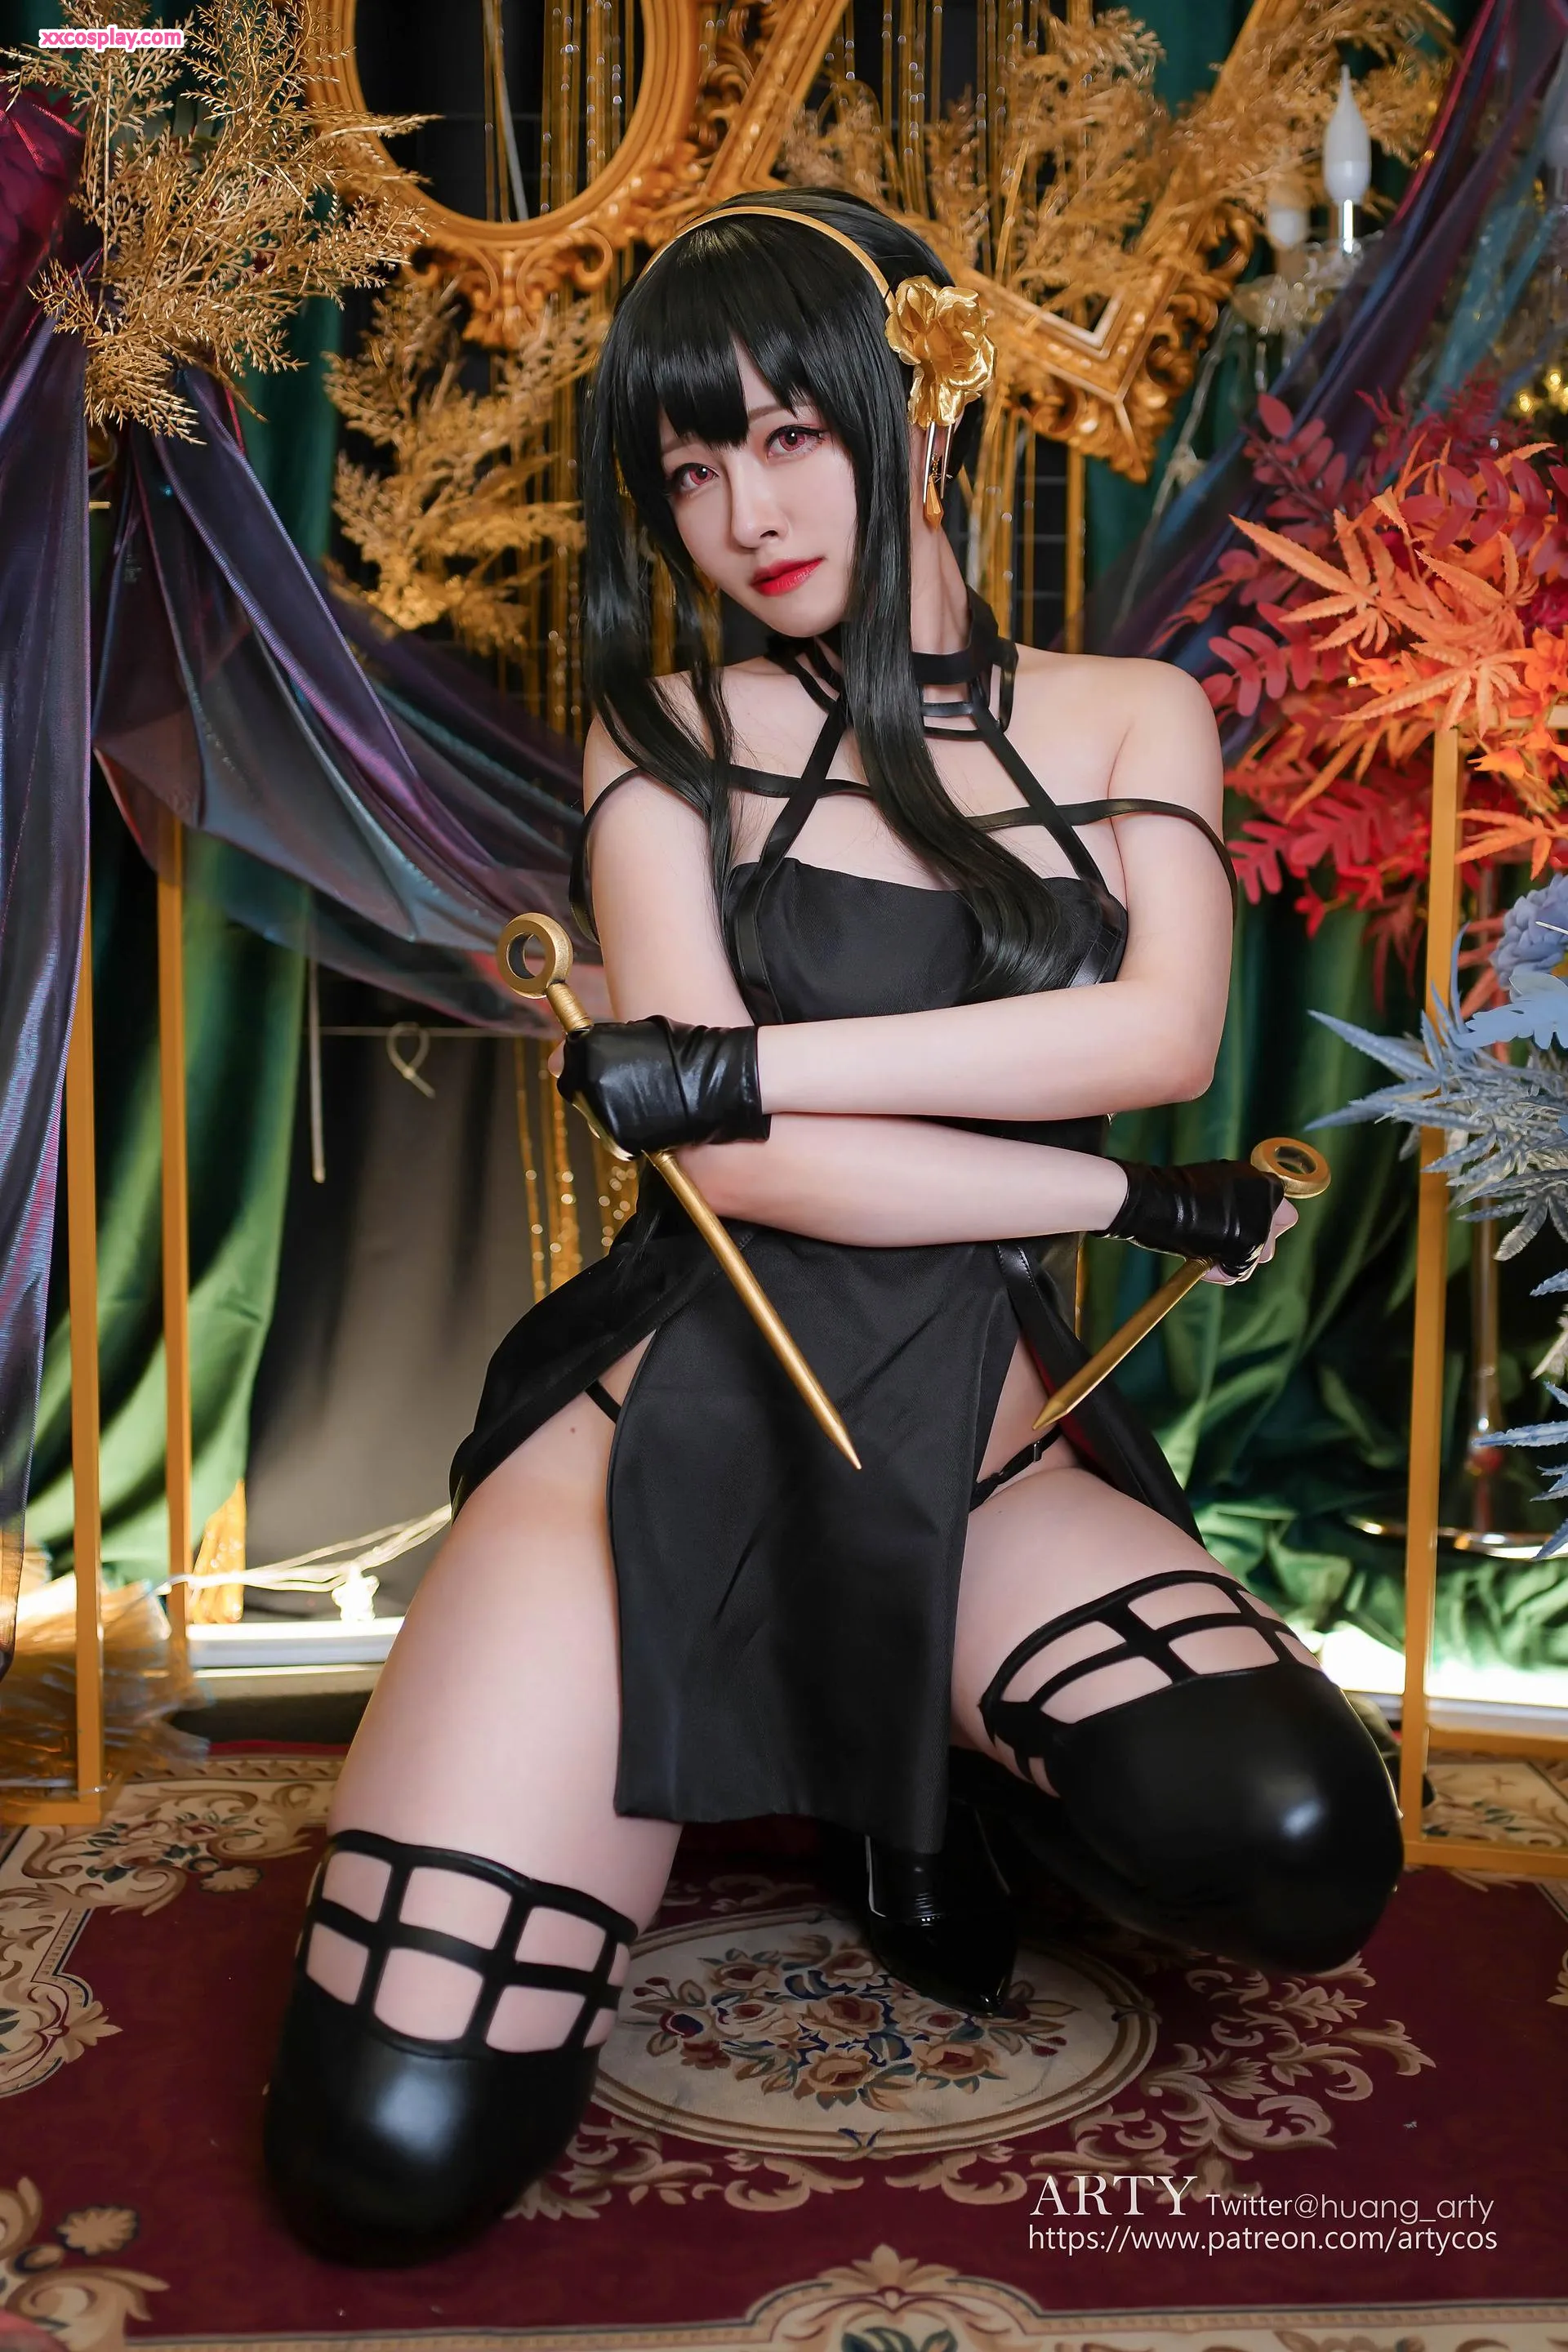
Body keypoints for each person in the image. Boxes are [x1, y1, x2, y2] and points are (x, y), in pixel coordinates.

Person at [261, 191, 1404, 2267]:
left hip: (972, 1423)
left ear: (923, 411)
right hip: (664, 1423)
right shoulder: (669, 737)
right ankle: (819, 1737)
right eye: (691, 470)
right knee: (385, 2158)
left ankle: (933, 1781)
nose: (746, 514)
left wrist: (733, 1063)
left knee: (1297, 1839)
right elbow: (747, 1179)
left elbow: (1151, 1033)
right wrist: (1127, 1202)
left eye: (791, 435)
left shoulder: (1129, 713)